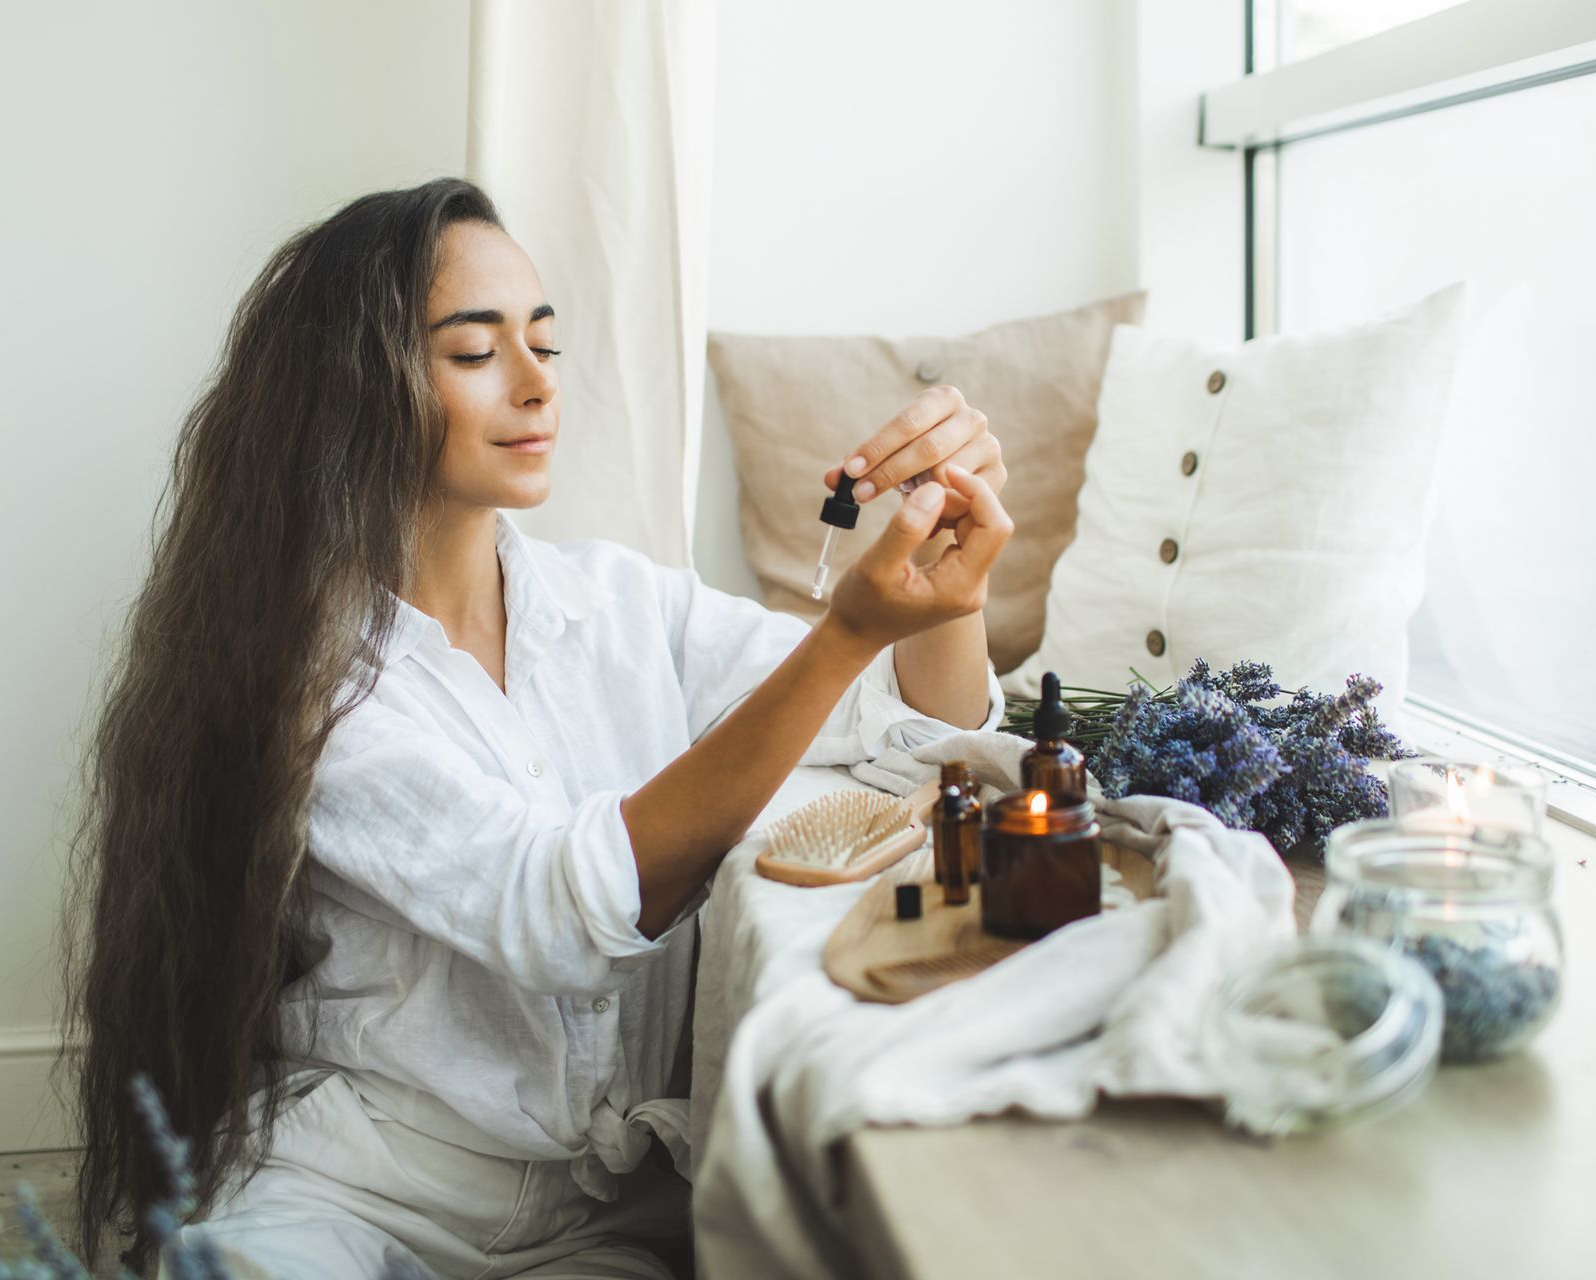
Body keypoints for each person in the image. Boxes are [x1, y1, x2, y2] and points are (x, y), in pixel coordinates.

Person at [64, 177, 1012, 1279]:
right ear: (352, 388)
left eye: (546, 345)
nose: (535, 386)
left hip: (605, 1220)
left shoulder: (620, 604)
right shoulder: (305, 678)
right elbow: (562, 906)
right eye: (475, 354)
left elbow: (901, 724)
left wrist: (955, 576)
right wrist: (846, 630)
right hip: (368, 1188)